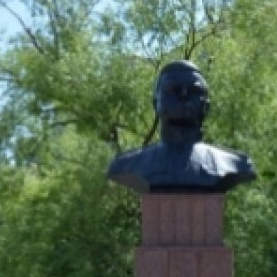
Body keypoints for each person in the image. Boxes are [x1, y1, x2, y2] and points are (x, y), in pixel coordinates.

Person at [107, 59, 256, 194]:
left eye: (194, 91)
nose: (184, 95)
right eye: (173, 90)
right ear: (155, 104)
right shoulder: (128, 164)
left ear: (207, 106)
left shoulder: (234, 164)